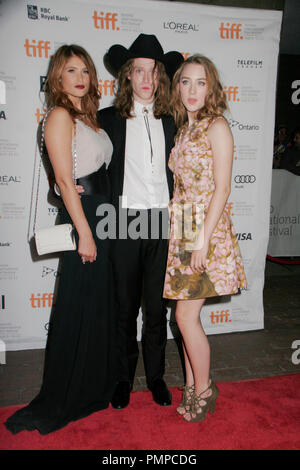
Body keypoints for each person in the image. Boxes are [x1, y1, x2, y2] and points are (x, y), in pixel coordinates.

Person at [5, 44, 116, 434]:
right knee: (78, 303)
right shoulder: (58, 115)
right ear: (57, 77)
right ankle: (66, 394)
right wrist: (84, 232)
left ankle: (89, 388)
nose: (81, 77)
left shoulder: (88, 117)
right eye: (71, 70)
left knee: (96, 306)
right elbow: (67, 181)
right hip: (83, 220)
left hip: (105, 216)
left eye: (85, 70)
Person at [96, 34, 183, 409]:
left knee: (155, 308)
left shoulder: (173, 120)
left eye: (153, 71)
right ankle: (121, 380)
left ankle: (157, 378)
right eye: (138, 70)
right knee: (123, 307)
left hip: (162, 222)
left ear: (160, 76)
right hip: (124, 221)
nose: (146, 78)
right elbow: (80, 158)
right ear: (127, 75)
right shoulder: (107, 119)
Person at [163, 54, 247, 422]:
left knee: (185, 316)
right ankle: (194, 385)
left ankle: (205, 388)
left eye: (200, 82)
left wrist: (201, 241)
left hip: (204, 231)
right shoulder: (184, 129)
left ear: (210, 87)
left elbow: (223, 188)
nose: (192, 90)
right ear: (177, 86)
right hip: (183, 227)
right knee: (184, 319)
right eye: (185, 81)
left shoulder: (217, 125)